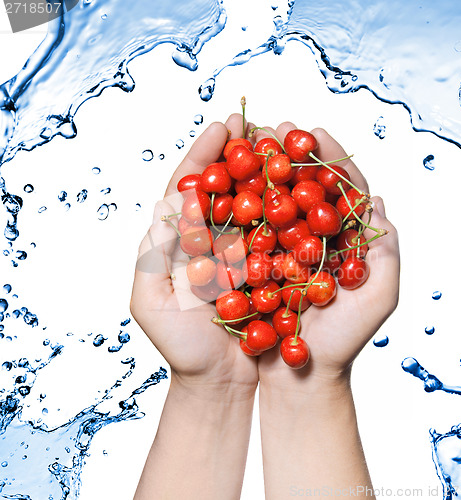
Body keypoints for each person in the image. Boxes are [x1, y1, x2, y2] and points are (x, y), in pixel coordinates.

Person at [130, 114, 400, 499]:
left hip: (277, 296)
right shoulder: (242, 240)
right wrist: (207, 384)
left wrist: (312, 382)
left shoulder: (287, 256)